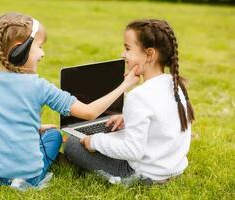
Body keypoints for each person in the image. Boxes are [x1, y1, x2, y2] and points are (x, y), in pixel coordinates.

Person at [0, 12, 138, 187]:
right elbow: (89, 113)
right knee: (54, 136)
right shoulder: (39, 86)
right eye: (39, 47)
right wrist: (124, 85)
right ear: (19, 50)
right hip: (31, 175)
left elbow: (2, 116)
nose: (43, 54)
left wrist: (33, 127)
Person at [64, 19, 195, 185]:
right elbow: (161, 120)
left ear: (149, 55)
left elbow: (132, 150)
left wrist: (94, 141)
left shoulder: (139, 96)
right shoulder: (175, 84)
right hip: (173, 168)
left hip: (144, 174)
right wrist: (127, 118)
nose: (123, 54)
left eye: (128, 48)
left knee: (72, 145)